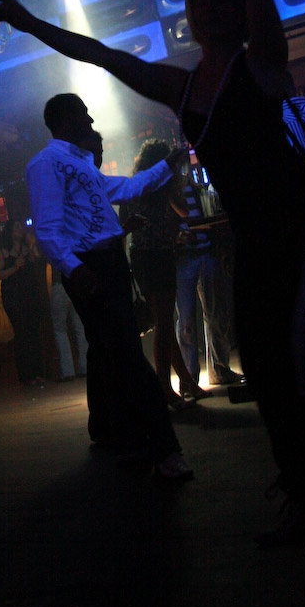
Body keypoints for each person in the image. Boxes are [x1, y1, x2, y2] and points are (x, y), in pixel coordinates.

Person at [0, 0, 305, 540]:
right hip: (257, 242)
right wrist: (30, 24)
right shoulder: (183, 87)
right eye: (196, 2)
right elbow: (100, 54)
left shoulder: (262, 64)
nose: (205, 7)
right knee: (270, 374)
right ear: (191, 21)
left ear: (232, 11)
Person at [21, 92, 192, 480]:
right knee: (127, 355)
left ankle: (123, 439)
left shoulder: (79, 164)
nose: (90, 119)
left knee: (111, 353)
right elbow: (47, 229)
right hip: (92, 266)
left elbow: (129, 188)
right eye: (83, 113)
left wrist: (167, 164)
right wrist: (76, 269)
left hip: (105, 263)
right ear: (65, 121)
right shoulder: (46, 163)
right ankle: (164, 449)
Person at [119, 138, 204, 408]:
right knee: (165, 324)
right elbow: (183, 211)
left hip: (141, 257)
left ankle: (185, 382)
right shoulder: (160, 185)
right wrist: (174, 184)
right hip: (158, 256)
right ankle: (164, 388)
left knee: (163, 321)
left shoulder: (135, 185)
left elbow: (122, 227)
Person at [174, 171, 242, 391]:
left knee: (214, 315)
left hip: (203, 255)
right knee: (190, 320)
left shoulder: (193, 190)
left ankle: (210, 372)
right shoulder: (172, 192)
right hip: (187, 258)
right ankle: (193, 377)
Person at [0, 218, 46, 386]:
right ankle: (26, 375)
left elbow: (38, 260)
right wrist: (14, 267)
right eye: (16, 227)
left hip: (30, 293)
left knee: (33, 331)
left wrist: (32, 245)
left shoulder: (27, 248)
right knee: (21, 332)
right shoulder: (3, 252)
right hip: (13, 296)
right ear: (9, 231)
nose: (19, 229)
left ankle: (38, 372)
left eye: (20, 227)